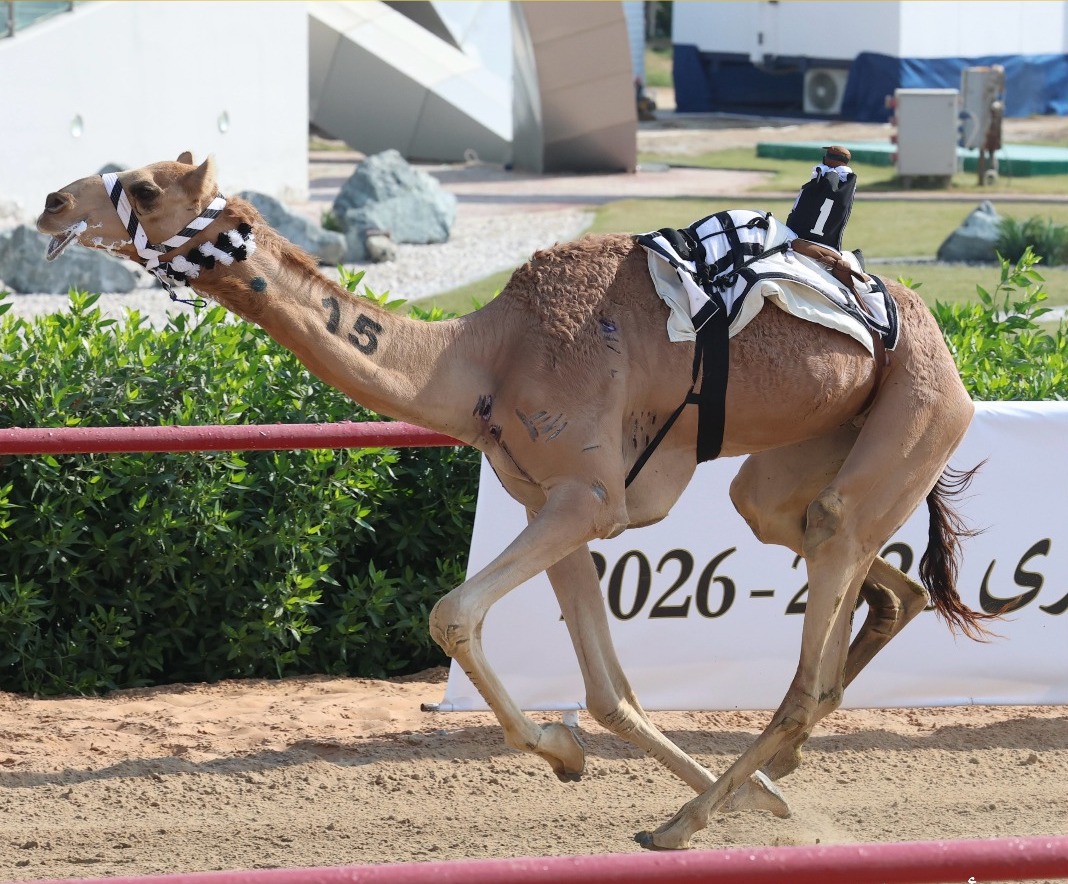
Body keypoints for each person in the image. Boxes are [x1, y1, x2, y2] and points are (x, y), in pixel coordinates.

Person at [785, 145, 856, 252]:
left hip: (795, 239)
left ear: (828, 158)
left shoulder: (819, 175)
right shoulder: (849, 183)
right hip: (828, 245)